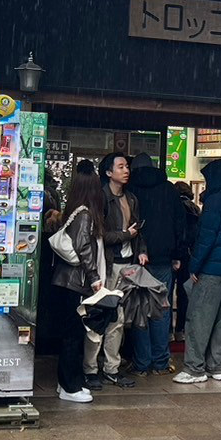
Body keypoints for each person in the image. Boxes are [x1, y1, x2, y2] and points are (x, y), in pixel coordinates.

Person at [175, 159, 221, 384]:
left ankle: (194, 368)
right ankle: (217, 366)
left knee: (199, 318)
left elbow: (206, 238)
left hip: (210, 269)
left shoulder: (215, 201)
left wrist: (194, 266)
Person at [128, 153, 187, 376]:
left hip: (137, 259)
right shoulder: (169, 190)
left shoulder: (130, 189)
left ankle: (142, 363)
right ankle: (161, 362)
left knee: (140, 310)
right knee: (161, 310)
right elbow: (179, 224)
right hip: (163, 259)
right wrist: (177, 255)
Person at [51, 163, 106, 403]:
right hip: (75, 283)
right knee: (73, 336)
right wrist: (95, 278)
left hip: (66, 282)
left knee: (70, 334)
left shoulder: (74, 209)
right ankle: (69, 386)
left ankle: (68, 383)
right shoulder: (85, 214)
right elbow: (84, 248)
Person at [88, 151, 139, 389]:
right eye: (120, 167)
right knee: (98, 317)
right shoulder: (100, 198)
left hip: (126, 265)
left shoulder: (131, 198)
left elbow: (139, 229)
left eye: (127, 166)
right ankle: (90, 369)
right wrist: (125, 236)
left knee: (118, 320)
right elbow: (99, 235)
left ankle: (111, 368)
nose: (126, 170)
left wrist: (141, 248)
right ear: (108, 172)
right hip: (106, 265)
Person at [173, 180, 200, 340]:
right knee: (184, 293)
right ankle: (180, 329)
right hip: (189, 254)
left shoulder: (174, 208)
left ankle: (168, 330)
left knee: (167, 293)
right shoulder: (195, 209)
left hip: (175, 252)